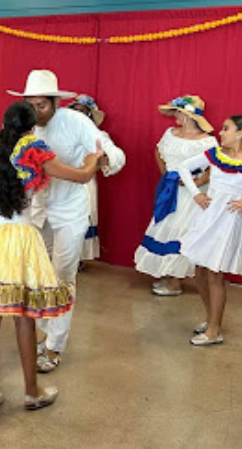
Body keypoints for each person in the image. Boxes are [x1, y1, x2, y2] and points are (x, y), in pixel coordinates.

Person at [0, 101, 102, 413]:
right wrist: (93, 160)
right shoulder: (33, 153)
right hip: (19, 239)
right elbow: (81, 177)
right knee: (25, 316)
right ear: (32, 127)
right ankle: (31, 391)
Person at [7, 69, 109, 374]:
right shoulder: (21, 129)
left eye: (42, 105)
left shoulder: (77, 122)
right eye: (31, 105)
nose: (36, 112)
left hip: (70, 211)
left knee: (64, 275)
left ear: (55, 102)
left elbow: (111, 153)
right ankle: (44, 332)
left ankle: (54, 345)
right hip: (35, 212)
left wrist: (101, 159)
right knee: (38, 275)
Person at [134, 95, 218, 295]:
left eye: (177, 112)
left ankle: (176, 282)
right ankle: (170, 275)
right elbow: (158, 152)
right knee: (166, 225)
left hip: (193, 194)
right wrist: (167, 174)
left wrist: (197, 182)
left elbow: (214, 166)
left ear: (188, 115)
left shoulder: (207, 141)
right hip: (171, 187)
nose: (174, 116)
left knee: (182, 230)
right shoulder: (170, 133)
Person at [178, 116, 242, 346]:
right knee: (200, 271)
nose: (221, 132)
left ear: (240, 134)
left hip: (228, 222)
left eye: (226, 129)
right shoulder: (215, 154)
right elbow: (183, 168)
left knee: (215, 273)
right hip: (207, 217)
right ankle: (210, 317)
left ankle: (215, 330)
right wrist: (196, 192)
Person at [69, 94, 126, 261]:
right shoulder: (62, 132)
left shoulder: (99, 136)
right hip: (61, 177)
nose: (78, 114)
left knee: (82, 216)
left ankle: (79, 258)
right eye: (75, 110)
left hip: (84, 182)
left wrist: (94, 161)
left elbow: (109, 160)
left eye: (82, 111)